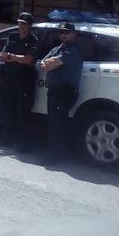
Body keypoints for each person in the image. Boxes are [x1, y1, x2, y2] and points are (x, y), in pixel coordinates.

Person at [40, 22, 83, 164]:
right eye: (61, 33)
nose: (63, 35)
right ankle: (53, 153)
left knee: (58, 123)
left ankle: (55, 156)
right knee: (54, 122)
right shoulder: (57, 48)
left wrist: (51, 63)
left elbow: (52, 63)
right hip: (54, 90)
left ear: (73, 35)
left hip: (65, 90)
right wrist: (51, 62)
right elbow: (43, 64)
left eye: (67, 33)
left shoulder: (73, 50)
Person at [0, 12, 41, 151]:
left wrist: (12, 56)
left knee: (23, 113)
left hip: (24, 81)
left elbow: (29, 60)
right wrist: (16, 58)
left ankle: (24, 144)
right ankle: (6, 139)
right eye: (20, 23)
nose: (21, 26)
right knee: (8, 110)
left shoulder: (34, 41)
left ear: (30, 26)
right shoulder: (12, 37)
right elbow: (2, 56)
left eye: (25, 24)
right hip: (10, 79)